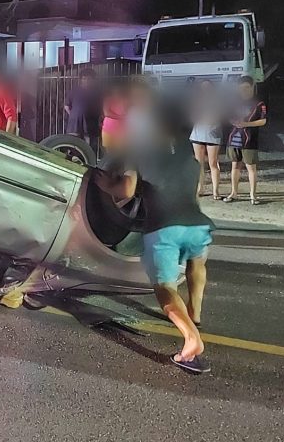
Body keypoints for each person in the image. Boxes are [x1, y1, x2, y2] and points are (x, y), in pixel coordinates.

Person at [95, 102, 214, 374]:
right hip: (197, 224)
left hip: (164, 228)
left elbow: (126, 190)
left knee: (164, 287)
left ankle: (191, 339)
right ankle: (195, 314)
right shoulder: (190, 156)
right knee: (197, 264)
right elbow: (195, 193)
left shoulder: (143, 152)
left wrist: (104, 183)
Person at [224, 76, 267, 205]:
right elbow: (228, 117)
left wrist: (247, 124)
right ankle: (234, 192)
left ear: (252, 87)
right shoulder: (234, 102)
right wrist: (234, 122)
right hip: (234, 140)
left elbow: (263, 121)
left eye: (246, 88)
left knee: (251, 168)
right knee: (235, 166)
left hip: (249, 141)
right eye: (241, 88)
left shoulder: (259, 103)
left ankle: (253, 195)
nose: (244, 91)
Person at [189, 80, 224, 200]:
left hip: (213, 134)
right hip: (198, 133)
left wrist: (206, 118)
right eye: (203, 87)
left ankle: (216, 190)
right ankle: (200, 188)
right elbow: (192, 116)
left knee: (213, 162)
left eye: (208, 87)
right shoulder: (197, 101)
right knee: (199, 163)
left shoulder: (218, 100)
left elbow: (216, 117)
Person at [64, 68, 101, 152]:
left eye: (89, 79)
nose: (86, 81)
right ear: (80, 80)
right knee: (73, 147)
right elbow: (66, 106)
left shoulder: (97, 92)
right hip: (74, 126)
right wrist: (74, 115)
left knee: (89, 149)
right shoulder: (74, 91)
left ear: (93, 80)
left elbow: (100, 108)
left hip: (91, 126)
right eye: (84, 78)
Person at [100, 82, 129, 154]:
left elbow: (128, 114)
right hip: (108, 130)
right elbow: (107, 113)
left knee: (120, 154)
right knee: (109, 155)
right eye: (115, 90)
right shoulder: (108, 99)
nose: (117, 91)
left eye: (119, 90)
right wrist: (122, 117)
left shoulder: (126, 100)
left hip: (121, 131)